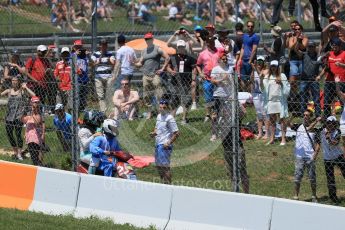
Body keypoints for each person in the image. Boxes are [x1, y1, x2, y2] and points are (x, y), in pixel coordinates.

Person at [135, 32, 169, 120]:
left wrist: (162, 69)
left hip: (155, 75)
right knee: (146, 96)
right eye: (146, 39)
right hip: (146, 76)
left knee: (159, 94)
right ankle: (149, 112)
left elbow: (167, 57)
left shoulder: (157, 49)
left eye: (149, 39)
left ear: (152, 39)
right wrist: (134, 63)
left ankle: (160, 112)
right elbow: (140, 63)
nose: (147, 40)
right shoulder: (143, 51)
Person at [1, 77, 35, 160]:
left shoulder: (22, 90)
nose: (14, 82)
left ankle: (19, 153)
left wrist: (26, 87)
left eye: (15, 80)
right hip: (9, 116)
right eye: (12, 80)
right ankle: (15, 152)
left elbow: (33, 95)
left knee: (18, 134)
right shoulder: (8, 91)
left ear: (19, 82)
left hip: (19, 116)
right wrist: (1, 84)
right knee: (9, 134)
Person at [293, 109, 321, 202]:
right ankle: (296, 196)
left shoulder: (315, 130)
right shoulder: (299, 126)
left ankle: (313, 196)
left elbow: (318, 144)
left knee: (312, 177)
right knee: (297, 176)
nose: (305, 117)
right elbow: (286, 124)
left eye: (307, 115)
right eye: (304, 115)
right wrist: (292, 117)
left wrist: (314, 156)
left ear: (310, 117)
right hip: (299, 156)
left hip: (310, 157)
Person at [315, 116, 345, 203]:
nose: (330, 125)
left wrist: (328, 137)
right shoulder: (321, 130)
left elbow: (335, 143)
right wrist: (317, 120)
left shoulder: (337, 131)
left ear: (335, 124)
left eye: (332, 123)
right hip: (327, 158)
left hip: (338, 156)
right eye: (328, 123)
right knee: (330, 178)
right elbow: (312, 129)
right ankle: (333, 197)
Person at [166, 40, 197, 124]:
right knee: (174, 101)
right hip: (174, 83)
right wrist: (171, 71)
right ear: (177, 48)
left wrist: (193, 80)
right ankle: (172, 118)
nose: (180, 49)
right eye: (179, 47)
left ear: (184, 47)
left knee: (185, 101)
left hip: (186, 82)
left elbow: (194, 69)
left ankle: (184, 118)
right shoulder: (173, 57)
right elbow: (167, 67)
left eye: (182, 47)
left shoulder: (190, 58)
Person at [261, 60, 290, 146]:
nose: (273, 68)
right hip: (271, 101)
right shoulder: (267, 76)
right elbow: (263, 89)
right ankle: (272, 138)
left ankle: (283, 138)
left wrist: (281, 83)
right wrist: (260, 80)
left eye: (275, 66)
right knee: (272, 120)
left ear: (277, 67)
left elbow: (287, 89)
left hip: (280, 101)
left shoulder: (282, 76)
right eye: (272, 66)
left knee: (282, 120)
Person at [150, 99, 179, 184]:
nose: (162, 109)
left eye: (164, 107)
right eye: (160, 107)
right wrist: (154, 133)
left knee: (165, 167)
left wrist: (168, 142)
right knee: (159, 166)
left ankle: (168, 185)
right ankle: (163, 183)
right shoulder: (159, 116)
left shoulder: (170, 118)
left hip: (165, 145)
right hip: (157, 144)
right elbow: (157, 128)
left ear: (167, 108)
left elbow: (177, 133)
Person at [196, 35, 224, 122]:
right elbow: (198, 65)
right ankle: (208, 114)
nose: (211, 44)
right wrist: (200, 73)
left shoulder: (219, 50)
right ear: (207, 43)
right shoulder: (202, 54)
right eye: (209, 43)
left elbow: (226, 54)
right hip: (207, 78)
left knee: (219, 96)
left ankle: (219, 113)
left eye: (212, 42)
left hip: (218, 79)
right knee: (208, 97)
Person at [210, 51, 232, 141]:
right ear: (219, 60)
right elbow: (212, 81)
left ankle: (224, 132)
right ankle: (214, 134)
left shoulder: (230, 69)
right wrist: (222, 79)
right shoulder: (215, 69)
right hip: (218, 95)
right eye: (223, 59)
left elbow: (232, 82)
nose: (225, 60)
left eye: (226, 59)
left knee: (226, 115)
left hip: (228, 95)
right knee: (215, 116)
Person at [91, 38, 116, 112]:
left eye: (105, 44)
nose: (104, 46)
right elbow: (92, 64)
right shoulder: (95, 54)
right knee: (100, 95)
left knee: (109, 93)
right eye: (103, 45)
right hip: (98, 77)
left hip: (109, 76)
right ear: (100, 46)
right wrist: (97, 62)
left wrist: (109, 60)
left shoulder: (110, 53)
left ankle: (110, 109)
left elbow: (113, 63)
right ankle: (103, 111)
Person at [299, 41, 322, 117]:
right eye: (309, 47)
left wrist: (320, 76)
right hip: (304, 79)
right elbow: (296, 50)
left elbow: (325, 67)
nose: (310, 48)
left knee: (316, 98)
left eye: (312, 46)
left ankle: (318, 115)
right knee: (303, 98)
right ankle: (303, 114)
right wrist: (298, 40)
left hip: (314, 79)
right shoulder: (304, 55)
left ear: (315, 47)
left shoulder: (318, 56)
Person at [78, 109, 105, 174]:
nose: (99, 121)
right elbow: (85, 145)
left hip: (96, 152)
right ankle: (90, 177)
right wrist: (94, 136)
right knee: (95, 160)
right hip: (85, 154)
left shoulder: (94, 130)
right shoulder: (83, 131)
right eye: (97, 119)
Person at [21, 96, 45, 166]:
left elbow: (37, 122)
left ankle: (39, 167)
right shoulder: (29, 113)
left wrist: (33, 112)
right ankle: (38, 166)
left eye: (37, 102)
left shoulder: (39, 114)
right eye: (34, 102)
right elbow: (23, 120)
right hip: (29, 137)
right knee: (33, 156)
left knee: (35, 156)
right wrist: (23, 111)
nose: (35, 104)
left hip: (36, 138)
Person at [238, 20, 260, 92]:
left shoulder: (255, 37)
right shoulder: (244, 36)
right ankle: (244, 94)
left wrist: (250, 60)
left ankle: (251, 96)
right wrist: (240, 59)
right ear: (246, 27)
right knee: (243, 78)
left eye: (251, 26)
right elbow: (242, 48)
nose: (250, 27)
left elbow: (254, 50)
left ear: (253, 27)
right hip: (244, 59)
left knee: (251, 79)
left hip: (251, 61)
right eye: (248, 26)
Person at [250, 56, 269, 140]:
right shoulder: (254, 70)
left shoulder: (266, 70)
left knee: (264, 113)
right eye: (258, 61)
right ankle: (260, 132)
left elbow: (262, 77)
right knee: (258, 114)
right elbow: (251, 80)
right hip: (255, 94)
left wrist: (256, 69)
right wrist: (253, 70)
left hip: (263, 94)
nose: (259, 63)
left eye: (261, 61)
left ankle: (267, 133)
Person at [54, 47, 74, 112]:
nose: (65, 55)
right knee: (59, 107)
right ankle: (61, 120)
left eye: (66, 54)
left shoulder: (72, 63)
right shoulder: (58, 64)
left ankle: (70, 120)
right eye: (64, 54)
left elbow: (78, 72)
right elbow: (55, 75)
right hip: (60, 88)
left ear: (69, 54)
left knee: (70, 107)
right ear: (61, 55)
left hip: (69, 88)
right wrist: (58, 85)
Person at [72, 39, 89, 112]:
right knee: (77, 96)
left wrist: (89, 56)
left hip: (85, 79)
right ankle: (77, 109)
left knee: (84, 96)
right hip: (77, 80)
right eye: (77, 47)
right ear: (74, 47)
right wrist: (75, 54)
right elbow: (70, 62)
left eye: (80, 47)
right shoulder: (72, 55)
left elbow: (91, 63)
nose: (79, 49)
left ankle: (82, 109)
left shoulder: (85, 56)